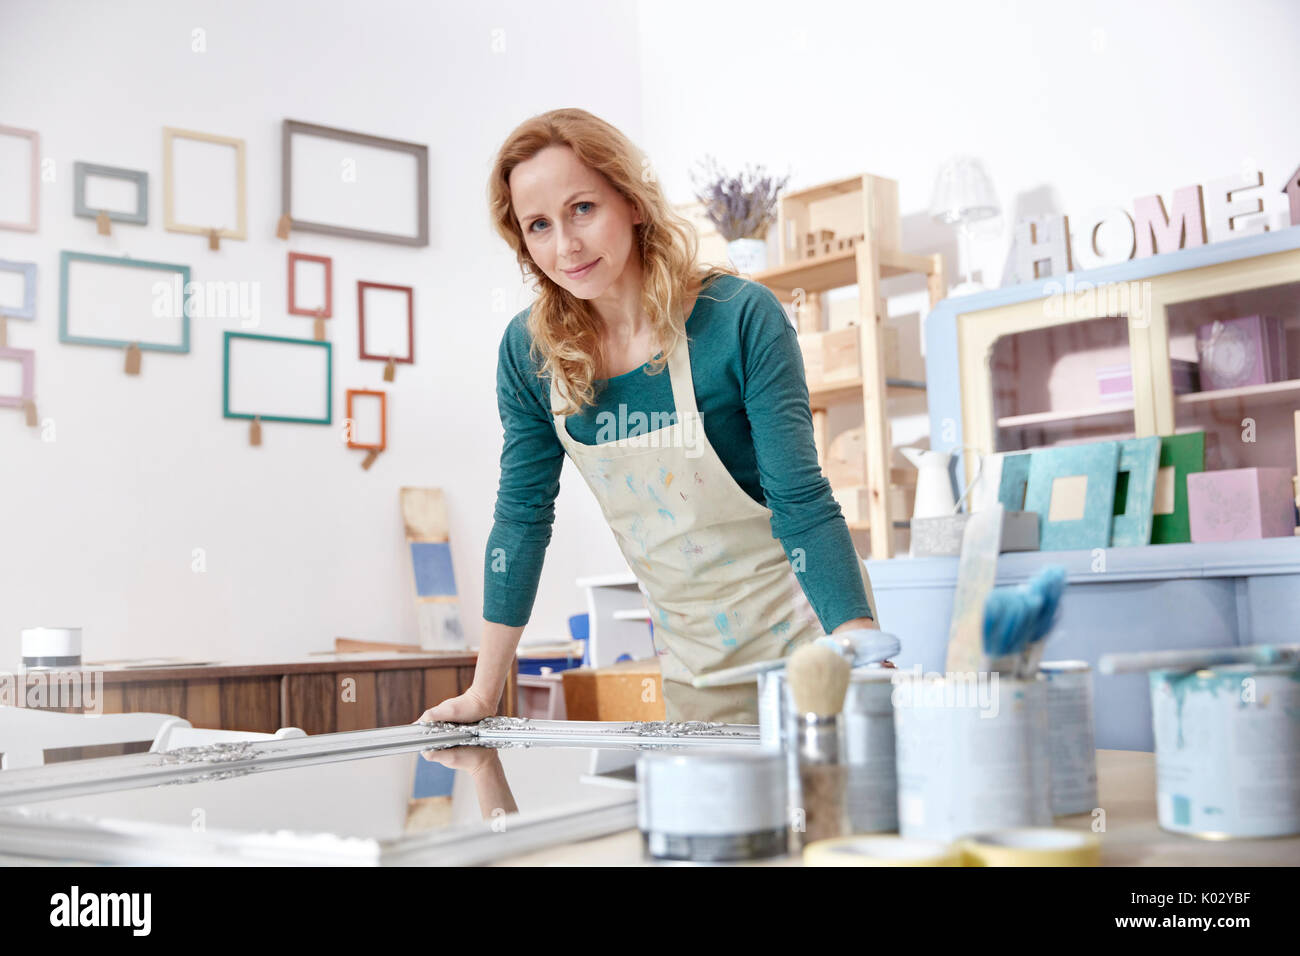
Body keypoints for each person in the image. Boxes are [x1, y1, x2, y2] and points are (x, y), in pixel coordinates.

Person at [417, 108, 880, 726]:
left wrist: (862, 652)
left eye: (583, 208)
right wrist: (482, 693)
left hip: (813, 656)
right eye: (539, 225)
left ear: (631, 202)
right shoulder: (531, 354)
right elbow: (521, 520)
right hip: (693, 677)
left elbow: (802, 503)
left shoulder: (738, 319)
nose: (567, 245)